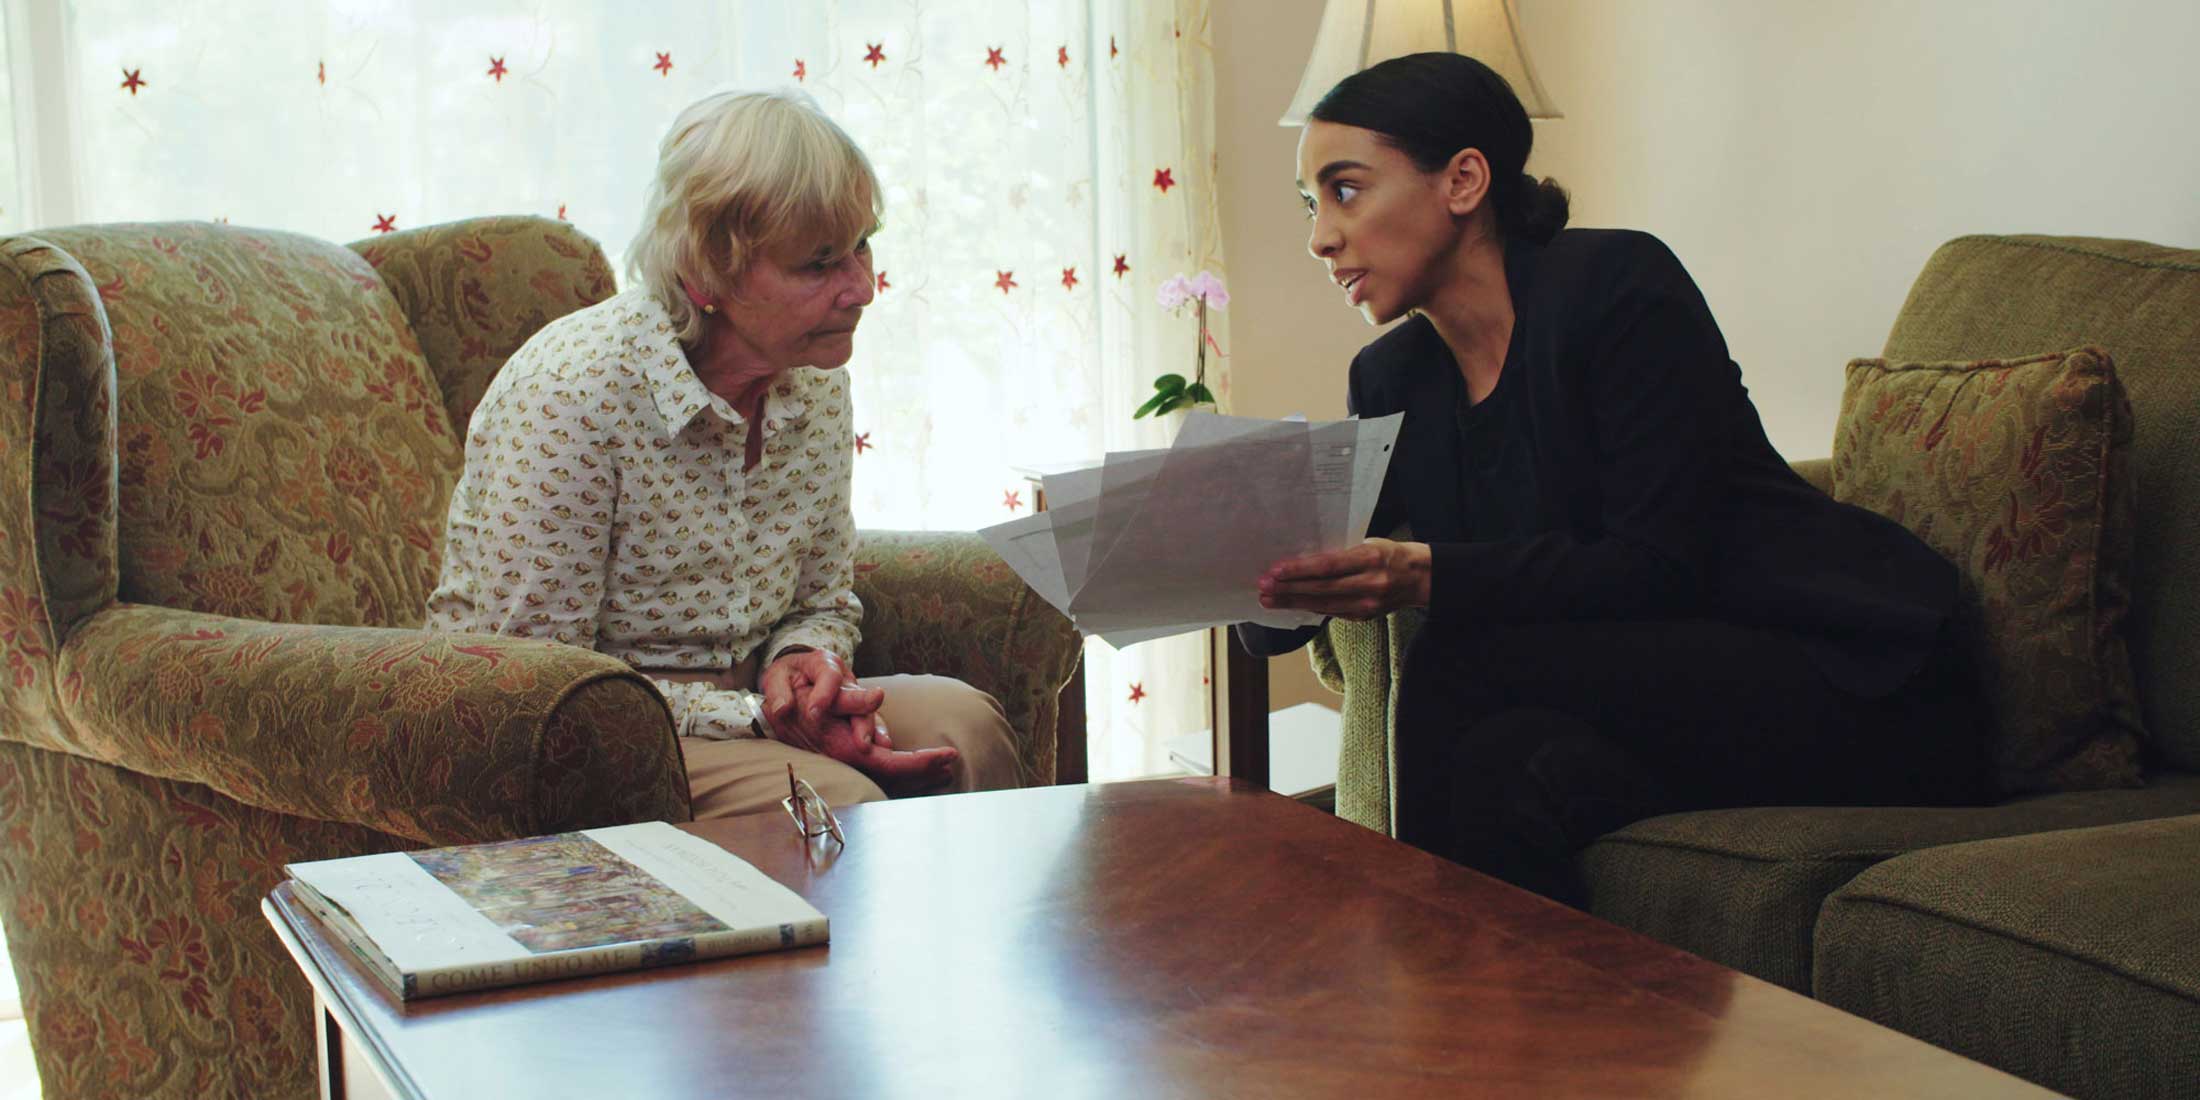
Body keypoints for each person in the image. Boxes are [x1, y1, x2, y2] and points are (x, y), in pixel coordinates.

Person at [1238, 53, 1986, 906]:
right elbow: (1279, 624)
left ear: (1464, 180)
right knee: (1503, 766)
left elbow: (1661, 562)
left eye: (1344, 190)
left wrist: (1425, 572)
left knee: (1453, 658)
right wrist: (1255, 561)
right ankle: (1540, 1028)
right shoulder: (1392, 379)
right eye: (1311, 206)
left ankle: (1433, 1012)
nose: (1319, 238)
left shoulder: (1618, 287)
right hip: (1654, 696)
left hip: (1837, 672)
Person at [426, 90, 1022, 818]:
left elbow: (820, 598)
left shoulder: (815, 383)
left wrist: (809, 665)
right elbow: (541, 682)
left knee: (969, 729)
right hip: (603, 733)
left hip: (750, 709)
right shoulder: (574, 393)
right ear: (709, 273)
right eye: (820, 264)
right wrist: (759, 719)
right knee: (844, 805)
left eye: (862, 245)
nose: (862, 289)